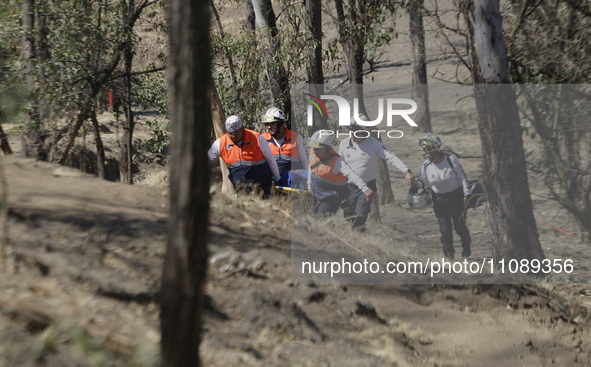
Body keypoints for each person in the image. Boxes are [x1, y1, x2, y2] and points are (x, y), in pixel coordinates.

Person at [338, 114, 414, 231]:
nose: (352, 135)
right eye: (350, 131)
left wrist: (406, 171)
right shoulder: (344, 144)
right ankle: (357, 238)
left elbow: (391, 157)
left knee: (360, 218)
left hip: (367, 188)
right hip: (347, 187)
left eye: (356, 132)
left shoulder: (374, 144)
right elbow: (338, 164)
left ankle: (360, 240)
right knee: (350, 218)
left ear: (364, 132)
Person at [415, 133, 471, 259]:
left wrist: (466, 194)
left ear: (436, 148)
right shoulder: (426, 165)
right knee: (445, 229)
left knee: (459, 225)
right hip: (440, 200)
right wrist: (414, 184)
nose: (426, 151)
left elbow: (463, 177)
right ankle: (449, 253)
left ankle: (466, 245)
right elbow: (422, 182)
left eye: (428, 148)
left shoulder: (451, 160)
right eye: (425, 149)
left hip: (457, 197)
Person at [307, 130, 375, 219]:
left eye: (318, 148)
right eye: (313, 147)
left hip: (330, 199)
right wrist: (309, 185)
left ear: (327, 148)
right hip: (317, 196)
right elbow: (311, 166)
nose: (314, 150)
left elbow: (352, 175)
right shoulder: (313, 152)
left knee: (318, 223)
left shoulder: (337, 162)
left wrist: (365, 189)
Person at [208, 115, 281, 196]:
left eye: (236, 133)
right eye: (230, 134)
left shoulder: (257, 138)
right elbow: (207, 160)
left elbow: (270, 159)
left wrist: (277, 178)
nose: (233, 136)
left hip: (261, 188)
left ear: (242, 129)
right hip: (240, 191)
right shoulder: (221, 143)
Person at [260, 107, 309, 184]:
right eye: (267, 124)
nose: (269, 127)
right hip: (271, 179)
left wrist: (308, 182)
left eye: (272, 123)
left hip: (292, 179)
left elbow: (305, 162)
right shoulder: (262, 139)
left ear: (281, 124)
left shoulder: (296, 138)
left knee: (290, 177)